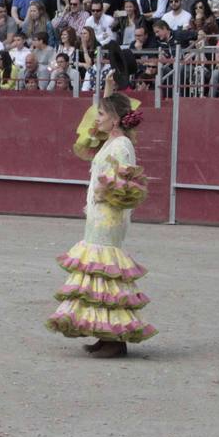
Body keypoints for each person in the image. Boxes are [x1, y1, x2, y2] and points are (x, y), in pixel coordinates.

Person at [47, 92, 156, 357]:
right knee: (99, 271)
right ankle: (105, 333)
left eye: (102, 114)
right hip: (100, 213)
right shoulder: (112, 141)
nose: (98, 118)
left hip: (109, 214)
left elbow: (126, 182)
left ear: (115, 119)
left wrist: (104, 194)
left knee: (105, 270)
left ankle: (115, 339)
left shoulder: (121, 146)